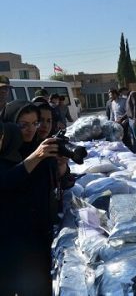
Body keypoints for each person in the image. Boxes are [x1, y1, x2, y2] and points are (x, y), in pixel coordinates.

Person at [1, 100, 72, 295]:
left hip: (38, 241)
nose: (31, 129)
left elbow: (62, 183)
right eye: (23, 124)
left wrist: (61, 168)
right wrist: (35, 157)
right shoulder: (6, 153)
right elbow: (6, 183)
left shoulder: (41, 148)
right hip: (10, 245)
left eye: (35, 123)